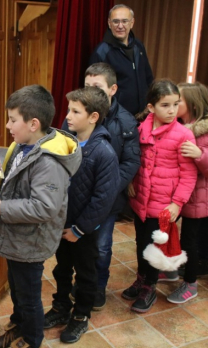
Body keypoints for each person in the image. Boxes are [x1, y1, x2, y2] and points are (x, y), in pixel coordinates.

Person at [0, 85, 81, 348]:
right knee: (18, 290)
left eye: (12, 120)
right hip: (17, 236)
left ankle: (33, 344)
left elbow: (44, 208)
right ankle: (19, 327)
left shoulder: (49, 162)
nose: (7, 126)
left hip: (31, 242)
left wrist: (1, 209)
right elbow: (12, 180)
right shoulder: (22, 146)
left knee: (29, 296)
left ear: (33, 124)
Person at [61, 62, 140, 309]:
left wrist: (107, 188)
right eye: (87, 86)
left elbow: (131, 160)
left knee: (101, 247)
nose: (90, 91)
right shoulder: (75, 118)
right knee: (75, 249)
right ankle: (79, 287)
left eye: (97, 87)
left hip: (107, 197)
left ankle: (96, 289)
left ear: (112, 89)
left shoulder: (125, 121)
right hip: (77, 197)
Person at [44, 86, 119, 343]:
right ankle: (61, 307)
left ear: (93, 117)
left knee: (86, 273)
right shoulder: (67, 142)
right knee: (61, 269)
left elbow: (103, 199)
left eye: (76, 111)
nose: (68, 116)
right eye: (69, 110)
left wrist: (79, 229)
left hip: (83, 230)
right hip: (63, 223)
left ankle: (80, 316)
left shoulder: (104, 152)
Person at [125, 80, 197, 313]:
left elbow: (189, 175)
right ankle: (141, 278)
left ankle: (150, 287)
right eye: (165, 105)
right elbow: (135, 162)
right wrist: (130, 182)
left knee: (155, 247)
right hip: (140, 201)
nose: (172, 110)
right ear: (151, 107)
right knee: (140, 242)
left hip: (164, 205)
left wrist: (177, 203)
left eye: (175, 104)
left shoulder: (183, 135)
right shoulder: (139, 130)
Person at [166, 83, 208, 304]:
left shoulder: (205, 132)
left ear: (190, 103)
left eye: (177, 101)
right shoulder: (178, 126)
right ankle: (172, 270)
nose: (173, 106)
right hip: (179, 197)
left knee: (189, 243)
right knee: (168, 233)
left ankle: (190, 283)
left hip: (198, 199)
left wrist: (199, 154)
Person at [89, 4, 154, 116]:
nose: (120, 26)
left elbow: (148, 77)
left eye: (124, 21)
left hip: (143, 114)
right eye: (116, 21)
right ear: (109, 23)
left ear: (132, 23)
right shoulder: (102, 52)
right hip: (117, 118)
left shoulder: (138, 46)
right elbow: (95, 91)